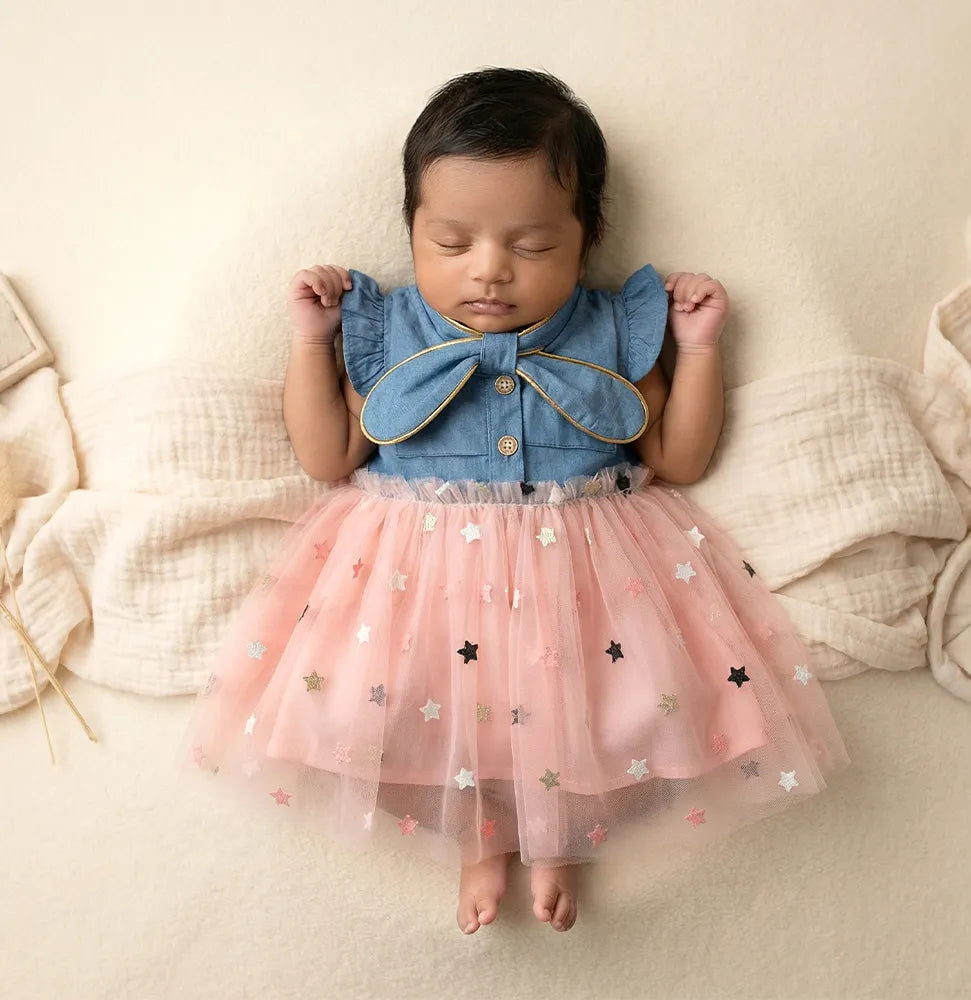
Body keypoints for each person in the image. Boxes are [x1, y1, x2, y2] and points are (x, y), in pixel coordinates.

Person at [184, 68, 848, 935]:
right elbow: (328, 455)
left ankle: (561, 838)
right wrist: (312, 342)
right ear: (412, 231)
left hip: (589, 571)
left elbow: (677, 459)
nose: (489, 272)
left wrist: (699, 348)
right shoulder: (385, 329)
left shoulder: (616, 328)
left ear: (586, 236)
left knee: (602, 703)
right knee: (412, 705)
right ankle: (481, 841)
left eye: (530, 246)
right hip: (415, 577)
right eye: (452, 243)